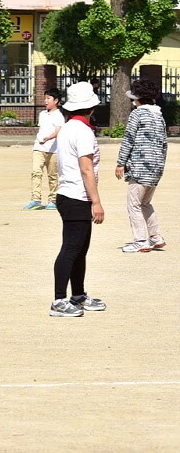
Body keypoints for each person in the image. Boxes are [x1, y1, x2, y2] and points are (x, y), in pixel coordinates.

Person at [50, 81, 106, 317]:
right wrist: (96, 202)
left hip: (69, 194)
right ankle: (59, 300)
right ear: (91, 107)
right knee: (71, 249)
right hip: (76, 196)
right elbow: (86, 169)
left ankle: (78, 295)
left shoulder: (68, 127)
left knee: (79, 249)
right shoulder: (82, 131)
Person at [115, 80, 168, 253]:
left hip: (139, 166)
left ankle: (140, 241)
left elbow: (129, 139)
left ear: (138, 98)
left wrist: (120, 163)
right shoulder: (159, 116)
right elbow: (164, 144)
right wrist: (160, 165)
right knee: (145, 203)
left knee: (134, 204)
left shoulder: (137, 114)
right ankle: (155, 236)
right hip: (155, 168)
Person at [23, 88, 65, 210]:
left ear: (56, 101)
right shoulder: (42, 114)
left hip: (53, 150)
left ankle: (53, 200)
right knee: (36, 172)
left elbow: (58, 131)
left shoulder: (59, 116)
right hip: (39, 148)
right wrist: (42, 140)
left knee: (53, 176)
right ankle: (35, 199)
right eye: (45, 98)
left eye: (48, 98)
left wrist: (48, 138)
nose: (45, 101)